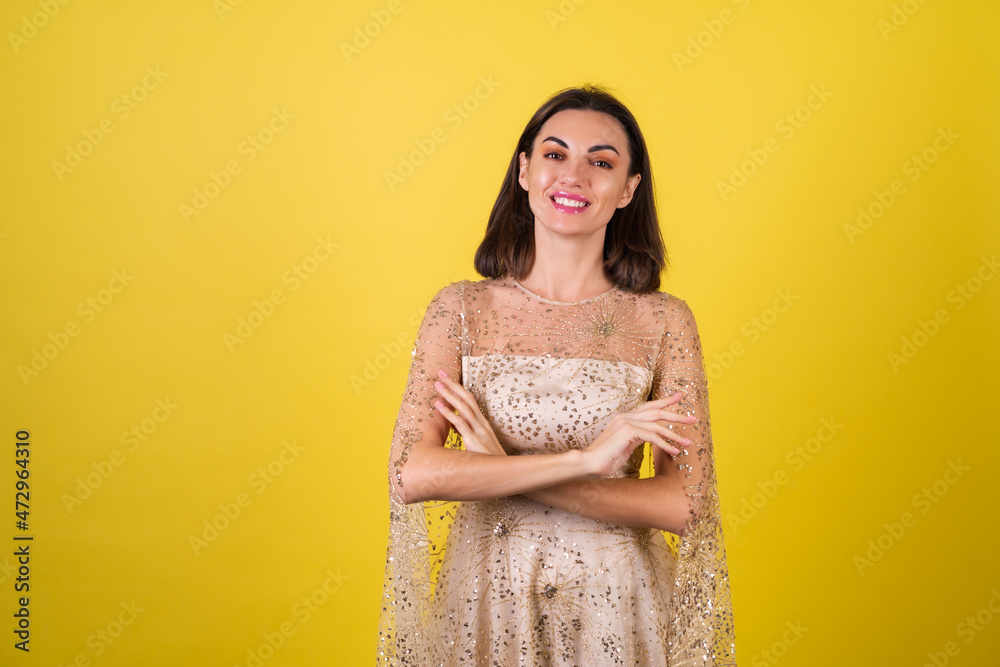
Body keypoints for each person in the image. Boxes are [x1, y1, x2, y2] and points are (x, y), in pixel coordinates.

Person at [377, 84, 736, 666]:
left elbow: (681, 504)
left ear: (628, 189)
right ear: (524, 171)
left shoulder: (664, 321)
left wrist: (498, 467)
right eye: (554, 154)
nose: (574, 175)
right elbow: (410, 472)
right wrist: (585, 461)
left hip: (614, 603)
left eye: (601, 162)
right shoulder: (461, 310)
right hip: (490, 599)